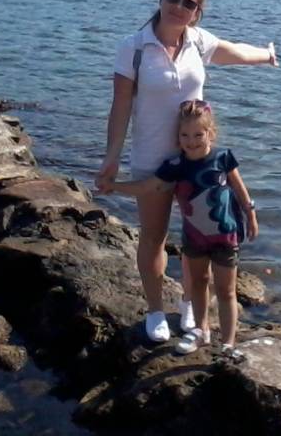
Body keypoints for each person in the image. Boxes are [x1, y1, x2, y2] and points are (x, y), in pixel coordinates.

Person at [96, 0, 276, 343]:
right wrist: (111, 158)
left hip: (197, 160)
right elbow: (121, 107)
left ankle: (189, 305)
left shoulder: (197, 41)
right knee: (154, 237)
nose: (179, 7)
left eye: (189, 3)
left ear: (197, 12)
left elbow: (235, 52)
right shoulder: (133, 48)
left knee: (199, 237)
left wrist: (266, 55)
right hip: (152, 158)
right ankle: (155, 311)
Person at [108, 100, 257, 356]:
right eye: (184, 135)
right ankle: (200, 331)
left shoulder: (223, 158)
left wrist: (250, 214)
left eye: (198, 134)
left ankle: (228, 344)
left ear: (210, 133)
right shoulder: (175, 166)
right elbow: (146, 187)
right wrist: (113, 186)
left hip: (226, 236)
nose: (191, 141)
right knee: (198, 283)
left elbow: (240, 190)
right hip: (195, 238)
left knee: (226, 290)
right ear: (177, 137)